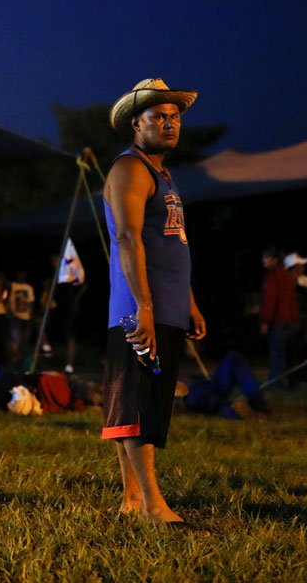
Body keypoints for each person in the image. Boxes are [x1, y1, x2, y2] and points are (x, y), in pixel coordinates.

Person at [102, 78, 207, 527]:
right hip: (138, 307)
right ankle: (152, 506)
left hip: (165, 304)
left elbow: (170, 244)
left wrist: (189, 302)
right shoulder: (130, 168)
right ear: (135, 123)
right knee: (139, 405)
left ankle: (130, 499)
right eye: (157, 117)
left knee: (144, 402)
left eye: (174, 117)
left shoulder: (161, 173)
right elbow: (127, 238)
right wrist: (143, 307)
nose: (168, 124)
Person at [181, 350, 271, 419]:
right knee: (209, 399)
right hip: (186, 393)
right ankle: (233, 410)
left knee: (234, 357)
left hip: (204, 384)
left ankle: (258, 405)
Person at [259, 250, 301, 389]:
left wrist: (265, 321)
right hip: (290, 322)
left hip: (278, 323)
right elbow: (293, 301)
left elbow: (270, 301)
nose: (263, 261)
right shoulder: (289, 277)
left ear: (274, 260)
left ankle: (276, 385)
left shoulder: (272, 278)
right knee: (290, 355)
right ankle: (292, 384)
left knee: (278, 354)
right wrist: (296, 320)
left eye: (266, 257)